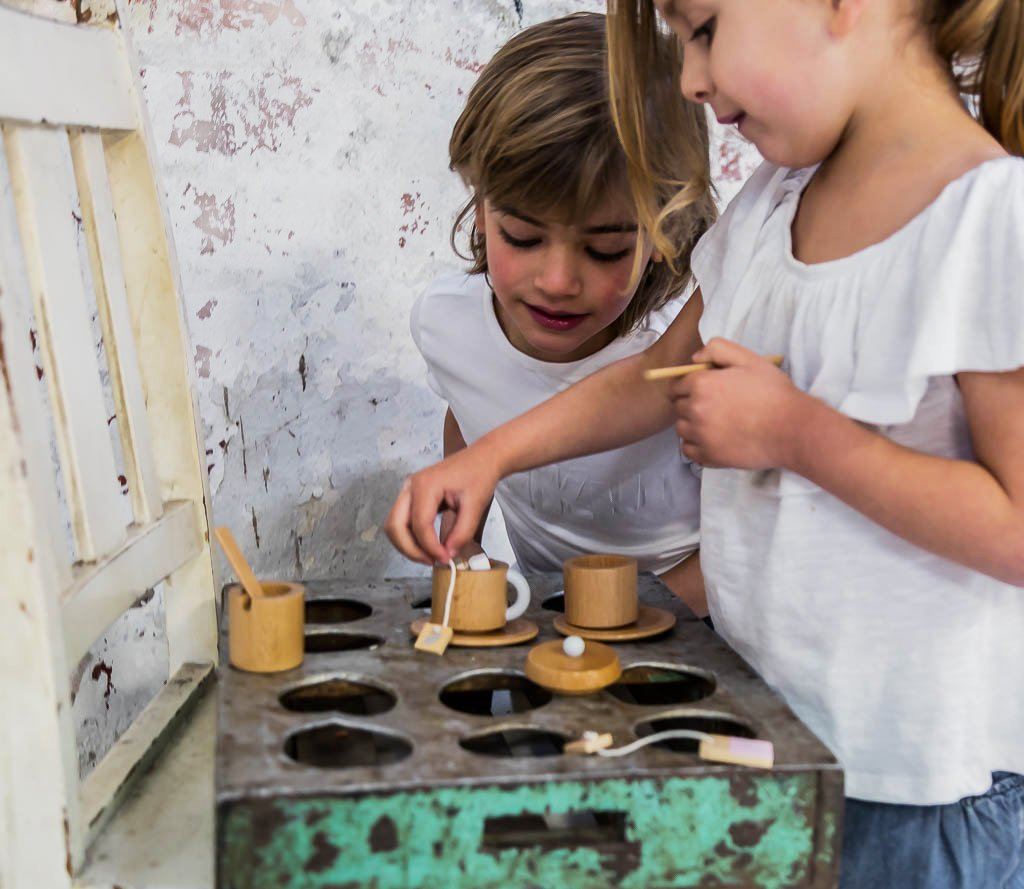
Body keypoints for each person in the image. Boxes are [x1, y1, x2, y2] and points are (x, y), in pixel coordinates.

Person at [389, 0, 1024, 884]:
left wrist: (797, 433)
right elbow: (651, 377)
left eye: (707, 29)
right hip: (758, 739)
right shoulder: (772, 205)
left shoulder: (993, 219)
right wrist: (487, 456)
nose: (688, 77)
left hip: (917, 790)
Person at [410, 11, 716, 613]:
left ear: (662, 232)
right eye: (522, 237)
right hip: (552, 622)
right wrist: (464, 537)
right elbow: (470, 407)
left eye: (606, 249)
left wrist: (629, 621)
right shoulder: (446, 324)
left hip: (694, 624)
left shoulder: (689, 347)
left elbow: (755, 541)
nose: (557, 282)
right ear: (479, 205)